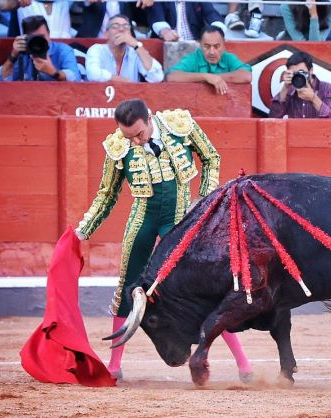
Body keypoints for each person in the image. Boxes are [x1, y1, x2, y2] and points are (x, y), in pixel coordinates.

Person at [74, 98, 253, 382]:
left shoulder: (179, 125)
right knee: (127, 288)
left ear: (149, 119)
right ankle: (114, 364)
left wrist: (204, 201)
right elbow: (107, 194)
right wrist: (83, 230)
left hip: (181, 221)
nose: (135, 141)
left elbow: (211, 157)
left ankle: (244, 364)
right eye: (128, 136)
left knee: (205, 290)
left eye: (139, 134)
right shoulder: (119, 146)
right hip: (142, 220)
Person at [165, 25, 251, 95]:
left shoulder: (228, 57)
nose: (212, 52)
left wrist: (217, 78)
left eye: (217, 46)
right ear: (200, 44)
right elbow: (172, 76)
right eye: (207, 46)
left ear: (224, 44)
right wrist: (206, 77)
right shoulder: (194, 58)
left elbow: (246, 76)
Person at [0, 15, 80, 81]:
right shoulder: (22, 53)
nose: (38, 41)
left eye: (41, 36)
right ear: (25, 37)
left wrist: (53, 72)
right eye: (34, 38)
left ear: (49, 34)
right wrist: (13, 55)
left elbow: (75, 77)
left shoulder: (62, 50)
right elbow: (0, 79)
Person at [85, 14, 163, 83]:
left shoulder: (136, 52)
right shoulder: (97, 49)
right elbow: (93, 74)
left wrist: (136, 45)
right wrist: (125, 81)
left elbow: (157, 77)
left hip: (130, 97)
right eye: (115, 26)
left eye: (126, 26)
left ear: (130, 33)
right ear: (106, 34)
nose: (121, 29)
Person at [269, 51, 331, 119]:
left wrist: (313, 98)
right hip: (296, 131)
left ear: (311, 70)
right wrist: (285, 88)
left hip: (320, 131)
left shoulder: (328, 89)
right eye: (294, 73)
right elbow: (273, 118)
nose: (299, 76)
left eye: (301, 72)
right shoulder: (289, 90)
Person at [147, 0, 226, 41]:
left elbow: (211, 13)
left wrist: (217, 31)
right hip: (168, 44)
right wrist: (165, 31)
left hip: (194, 44)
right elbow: (157, 17)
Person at [0, 0, 72, 38]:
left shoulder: (63, 2)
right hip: (28, 53)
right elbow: (2, 6)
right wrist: (17, 1)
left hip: (61, 54)